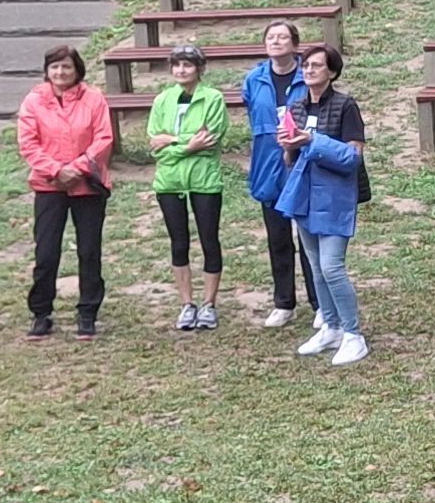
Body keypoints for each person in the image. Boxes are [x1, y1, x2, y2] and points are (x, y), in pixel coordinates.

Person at [273, 44, 373, 365]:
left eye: (316, 65)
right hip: (304, 194)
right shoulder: (297, 107)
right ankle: (331, 326)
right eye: (306, 65)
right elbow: (290, 159)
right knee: (315, 267)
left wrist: (312, 140)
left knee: (332, 266)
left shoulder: (345, 106)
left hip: (334, 196)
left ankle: (353, 334)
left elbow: (352, 156)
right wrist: (288, 145)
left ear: (332, 71)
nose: (309, 70)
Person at [18, 44, 116, 338]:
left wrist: (77, 168)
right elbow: (28, 143)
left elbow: (103, 138)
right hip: (49, 185)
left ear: (77, 70)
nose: (60, 72)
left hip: (87, 184)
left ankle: (88, 312)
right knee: (46, 252)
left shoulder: (94, 98)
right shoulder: (33, 101)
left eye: (66, 66)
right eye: (55, 67)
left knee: (89, 251)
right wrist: (56, 171)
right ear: (47, 71)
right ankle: (41, 312)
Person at [148, 43, 236, 330]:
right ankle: (187, 303)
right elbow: (156, 146)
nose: (181, 70)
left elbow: (210, 139)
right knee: (179, 242)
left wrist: (172, 140)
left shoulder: (213, 98)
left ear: (199, 68)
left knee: (209, 240)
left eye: (187, 65)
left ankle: (209, 304)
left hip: (204, 180)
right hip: (169, 181)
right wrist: (186, 145)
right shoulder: (162, 100)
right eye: (176, 65)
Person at [240, 20, 310, 331]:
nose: (276, 41)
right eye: (271, 37)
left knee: (309, 238)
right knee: (277, 237)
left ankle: (320, 303)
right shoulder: (254, 79)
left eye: (283, 37)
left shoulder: (307, 75)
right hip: (268, 162)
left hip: (303, 160)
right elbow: (251, 112)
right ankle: (284, 303)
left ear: (294, 44)